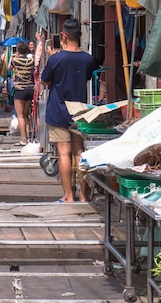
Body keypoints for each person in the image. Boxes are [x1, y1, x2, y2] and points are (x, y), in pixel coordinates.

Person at [40, 18, 97, 203]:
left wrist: (51, 56)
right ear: (80, 36)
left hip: (58, 110)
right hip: (79, 112)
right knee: (79, 152)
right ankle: (82, 196)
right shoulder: (88, 59)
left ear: (63, 35)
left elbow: (44, 80)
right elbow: (86, 78)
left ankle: (68, 196)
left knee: (63, 153)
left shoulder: (56, 59)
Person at [8, 41, 34, 146]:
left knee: (20, 116)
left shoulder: (15, 60)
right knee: (25, 114)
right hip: (29, 88)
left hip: (20, 89)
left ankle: (23, 139)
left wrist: (12, 57)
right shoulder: (30, 61)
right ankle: (28, 137)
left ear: (18, 50)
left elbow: (9, 68)